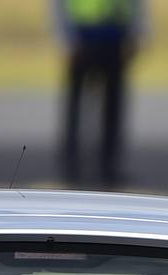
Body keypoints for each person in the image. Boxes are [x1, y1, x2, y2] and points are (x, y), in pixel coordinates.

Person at [53, 0, 145, 188]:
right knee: (76, 105)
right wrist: (64, 35)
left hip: (115, 33)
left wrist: (137, 30)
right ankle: (71, 163)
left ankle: (108, 164)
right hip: (82, 34)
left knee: (113, 104)